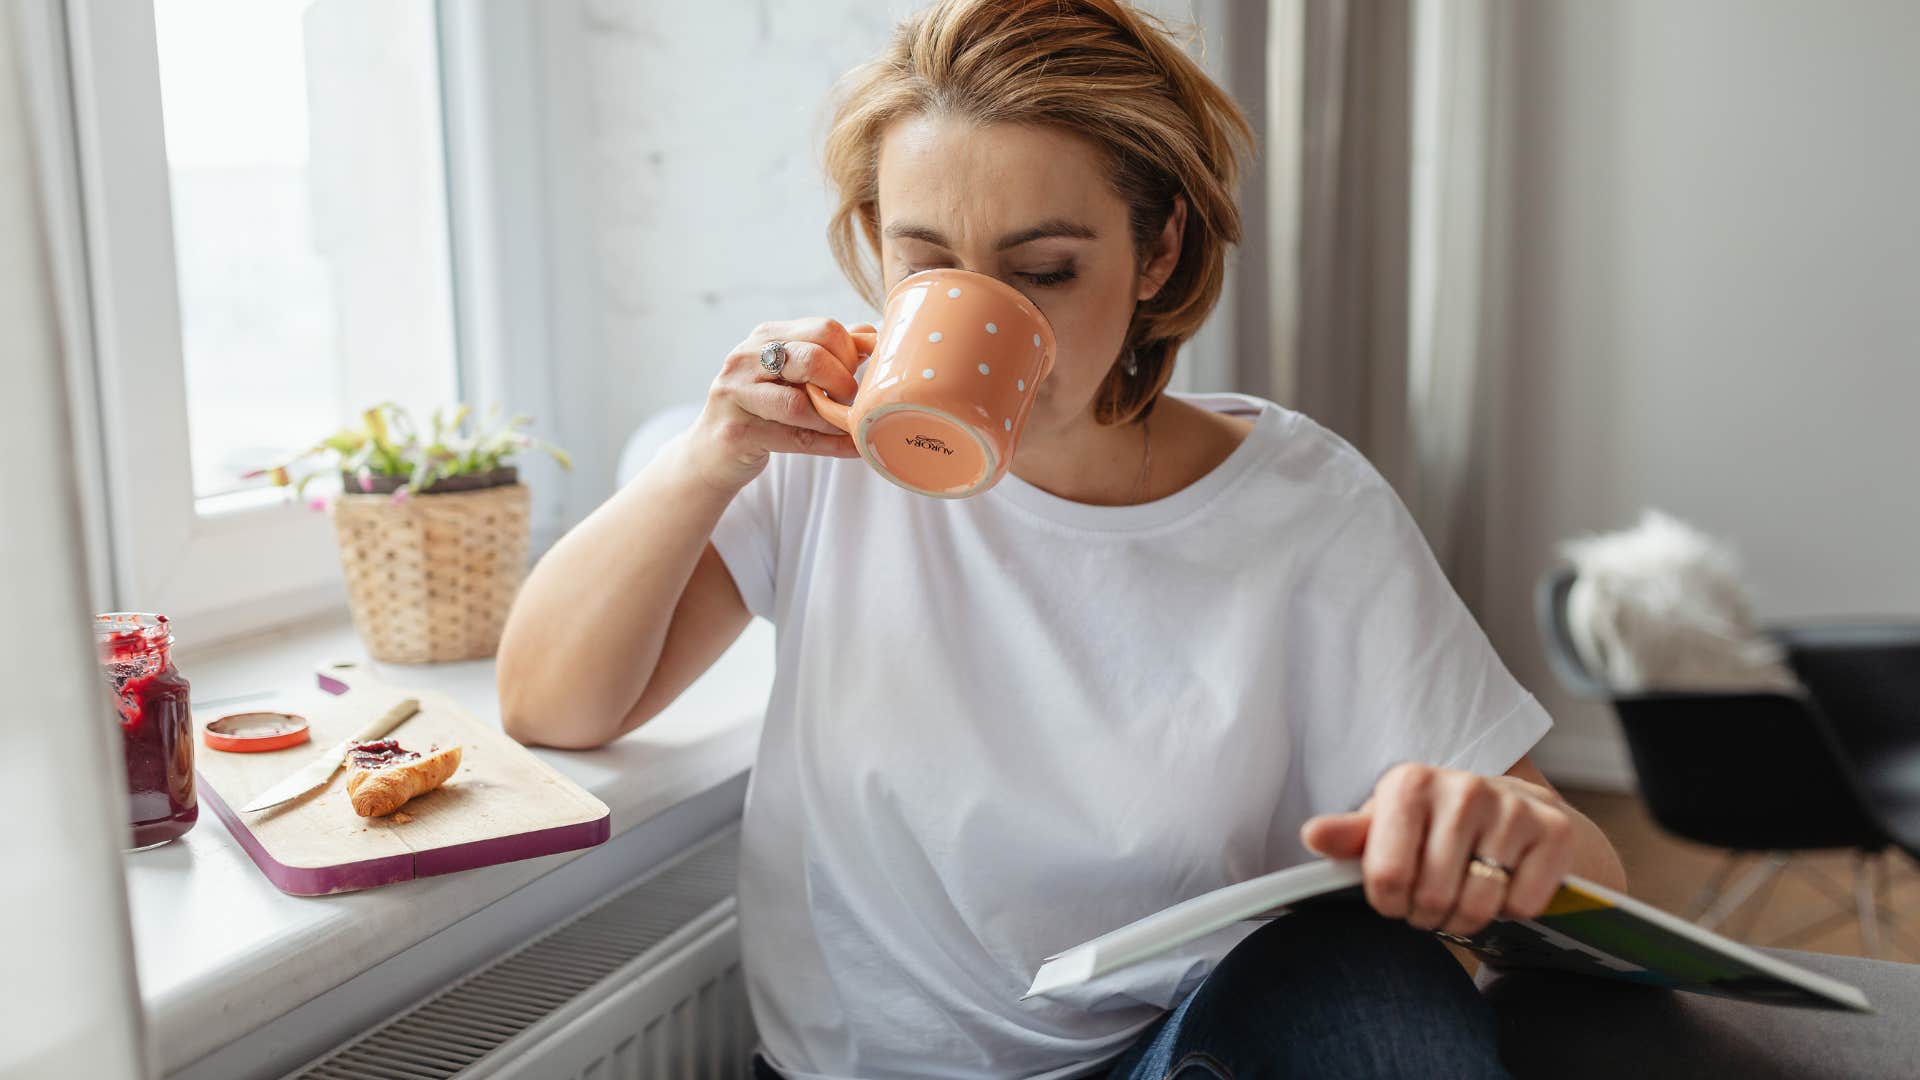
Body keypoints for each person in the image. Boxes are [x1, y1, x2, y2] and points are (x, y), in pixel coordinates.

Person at [497, 1, 1627, 1076]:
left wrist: (1506, 838)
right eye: (925, 265)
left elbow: (1596, 885)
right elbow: (553, 705)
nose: (984, 315)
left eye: (1043, 272)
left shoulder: (1301, 505)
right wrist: (711, 455)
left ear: (1158, 251)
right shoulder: (816, 461)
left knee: (1365, 978)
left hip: (1171, 1061)